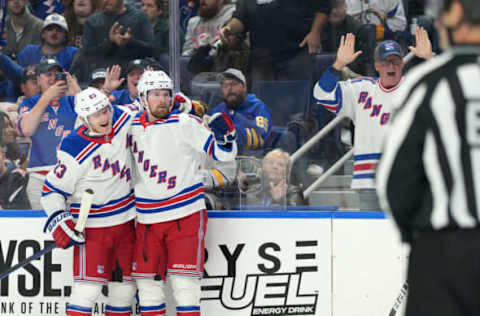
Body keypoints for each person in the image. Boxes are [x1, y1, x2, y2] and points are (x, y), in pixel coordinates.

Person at [376, 1, 480, 315]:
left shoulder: (429, 84)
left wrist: (418, 237)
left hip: (445, 255)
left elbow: (394, 182)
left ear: (456, 13)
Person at [130, 70, 237, 316]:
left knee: (185, 286)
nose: (163, 100)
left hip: (185, 214)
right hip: (146, 219)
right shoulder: (130, 125)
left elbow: (223, 155)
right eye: (156, 94)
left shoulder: (186, 123)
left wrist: (226, 137)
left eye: (167, 95)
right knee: (148, 288)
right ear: (144, 98)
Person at [41, 87, 136, 316]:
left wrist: (185, 105)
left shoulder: (123, 118)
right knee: (87, 291)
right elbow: (51, 190)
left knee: (124, 292)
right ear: (84, 119)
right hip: (93, 229)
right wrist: (60, 221)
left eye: (105, 111)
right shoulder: (74, 146)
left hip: (126, 223)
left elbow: (149, 104)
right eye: (97, 115)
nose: (105, 117)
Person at [313, 31, 433, 209]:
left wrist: (430, 59)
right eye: (385, 62)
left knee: (403, 237)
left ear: (402, 64)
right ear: (377, 65)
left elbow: (450, 91)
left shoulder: (414, 87)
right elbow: (321, 94)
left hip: (407, 183)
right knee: (369, 237)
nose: (391, 66)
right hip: (368, 183)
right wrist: (338, 65)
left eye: (396, 61)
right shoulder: (361, 89)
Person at [17, 57, 80, 210]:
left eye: (57, 74)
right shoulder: (29, 103)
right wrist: (47, 96)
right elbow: (27, 129)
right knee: (41, 229)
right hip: (40, 178)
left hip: (73, 177)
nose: (53, 79)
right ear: (38, 80)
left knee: (73, 228)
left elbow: (93, 124)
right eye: (48, 74)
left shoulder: (72, 101)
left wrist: (77, 92)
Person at [219, 0, 331, 84]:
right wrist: (229, 29)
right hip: (262, 60)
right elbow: (241, 17)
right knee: (263, 106)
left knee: (297, 107)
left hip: (296, 54)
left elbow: (323, 7)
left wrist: (315, 32)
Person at [209, 68, 272, 155]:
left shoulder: (258, 107)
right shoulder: (218, 110)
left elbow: (259, 139)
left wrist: (231, 131)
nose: (229, 89)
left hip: (250, 160)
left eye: (234, 84)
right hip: (222, 159)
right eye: (225, 85)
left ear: (244, 87)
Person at [81, 0, 153, 69]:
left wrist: (130, 42)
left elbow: (152, 50)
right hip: (102, 74)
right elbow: (87, 55)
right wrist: (110, 42)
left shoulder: (139, 17)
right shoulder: (92, 22)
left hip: (134, 72)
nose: (106, 0)